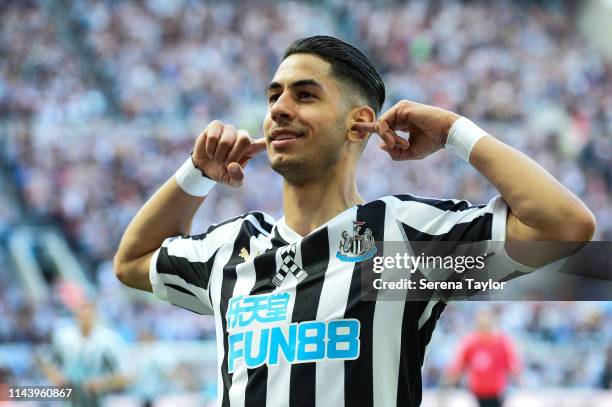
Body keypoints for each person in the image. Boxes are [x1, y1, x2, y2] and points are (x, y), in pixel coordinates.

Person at [113, 36, 595, 406]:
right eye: (273, 96)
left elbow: (563, 226)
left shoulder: (404, 241)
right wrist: (195, 175)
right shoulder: (231, 248)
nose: (278, 108)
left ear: (356, 121)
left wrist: (453, 131)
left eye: (304, 96)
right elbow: (131, 260)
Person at [38, 301, 132, 407]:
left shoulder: (109, 340)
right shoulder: (62, 337)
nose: (84, 317)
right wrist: (58, 379)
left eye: (88, 313)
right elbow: (46, 362)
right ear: (75, 315)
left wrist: (103, 383)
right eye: (81, 313)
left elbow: (128, 375)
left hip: (99, 401)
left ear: (95, 315)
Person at [447, 309, 520, 407]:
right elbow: (459, 365)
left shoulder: (502, 343)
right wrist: (451, 380)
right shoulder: (471, 342)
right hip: (477, 392)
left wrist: (517, 378)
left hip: (497, 392)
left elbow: (513, 366)